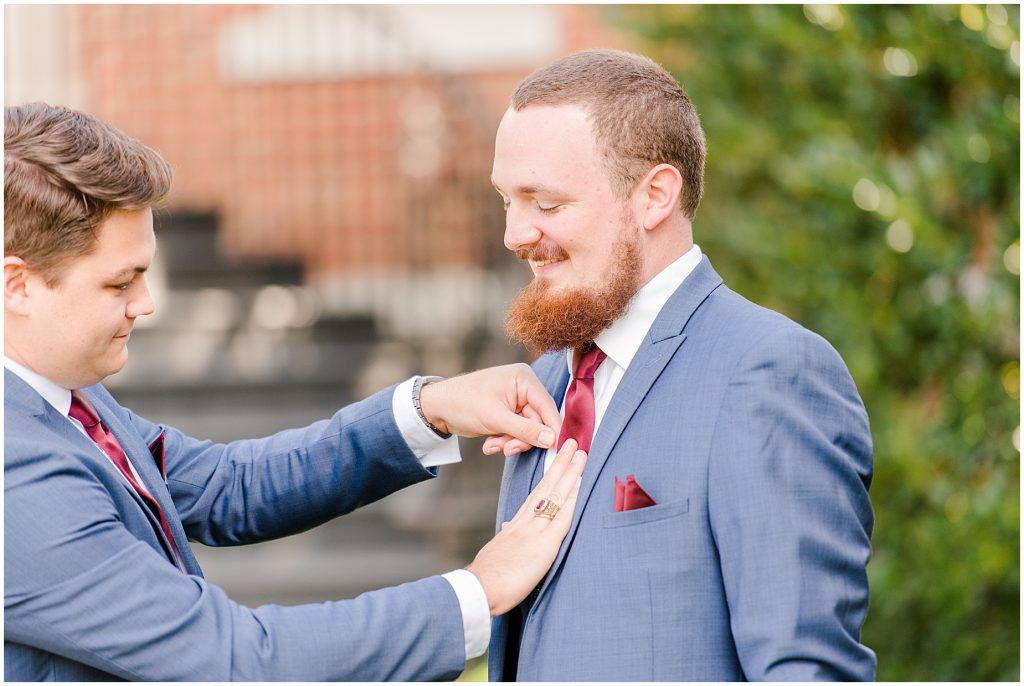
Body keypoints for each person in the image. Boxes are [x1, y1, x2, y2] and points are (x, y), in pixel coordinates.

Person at [3, 102, 589, 681]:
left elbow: (228, 486)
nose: (145, 303)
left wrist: (431, 409)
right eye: (119, 282)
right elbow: (235, 662)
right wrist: (477, 593)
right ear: (18, 285)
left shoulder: (60, 394)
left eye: (144, 274)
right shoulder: (16, 477)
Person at [485, 49, 876, 681]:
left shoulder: (771, 372)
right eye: (507, 199)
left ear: (654, 196)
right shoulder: (549, 382)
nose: (515, 234)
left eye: (545, 204)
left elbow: (807, 669)